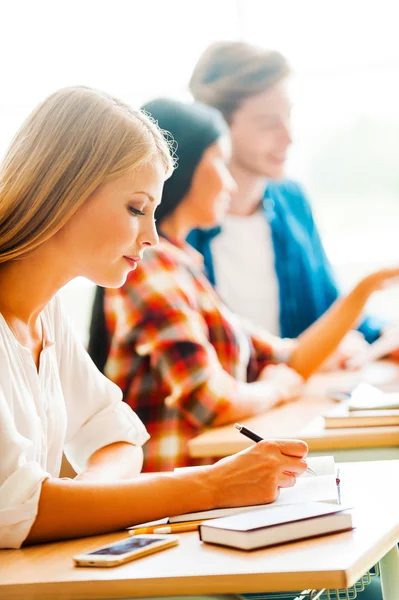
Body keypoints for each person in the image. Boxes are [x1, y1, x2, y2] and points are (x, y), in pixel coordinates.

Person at [0, 86, 314, 553]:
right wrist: (212, 485)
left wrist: (86, 499)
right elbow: (15, 510)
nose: (150, 235)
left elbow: (118, 437)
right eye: (136, 208)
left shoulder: (46, 317)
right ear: (64, 191)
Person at [89, 97, 399, 473]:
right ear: (182, 167)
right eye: (220, 161)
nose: (231, 182)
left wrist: (366, 288)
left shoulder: (184, 266)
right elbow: (212, 401)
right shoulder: (149, 267)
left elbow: (289, 358)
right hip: (179, 490)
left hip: (214, 479)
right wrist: (277, 388)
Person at [188, 41, 390, 367]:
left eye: (289, 116)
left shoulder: (291, 201)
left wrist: (385, 335)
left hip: (297, 405)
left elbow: (331, 310)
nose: (289, 136)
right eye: (269, 122)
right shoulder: (176, 222)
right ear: (218, 126)